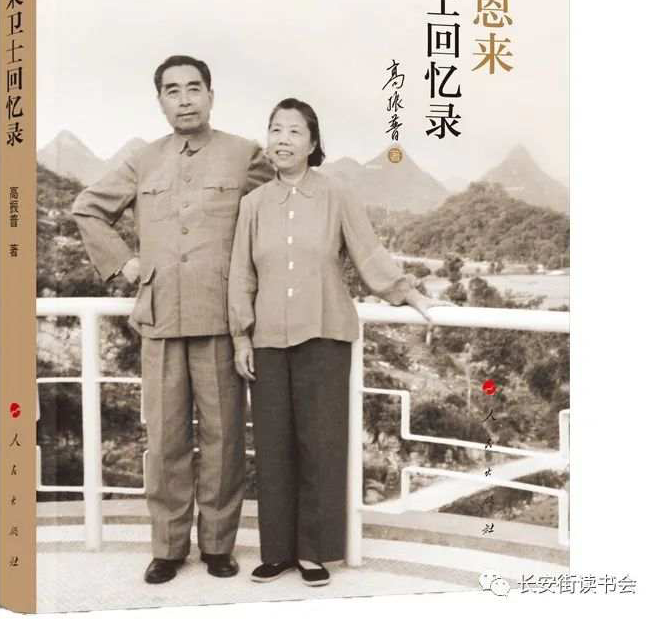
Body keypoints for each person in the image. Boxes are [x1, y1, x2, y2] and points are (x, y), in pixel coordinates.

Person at [72, 55, 275, 584]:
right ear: (160, 101)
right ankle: (167, 547)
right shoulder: (142, 160)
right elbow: (88, 208)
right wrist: (124, 263)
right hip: (160, 318)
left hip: (222, 318)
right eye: (172, 91)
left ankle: (218, 546)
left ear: (210, 95)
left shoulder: (244, 155)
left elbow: (277, 212)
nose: (184, 99)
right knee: (164, 442)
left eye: (193, 88)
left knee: (224, 440)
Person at [228, 98, 446, 586]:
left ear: (313, 143)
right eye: (275, 129)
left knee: (320, 444)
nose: (283, 139)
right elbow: (241, 274)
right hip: (266, 340)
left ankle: (313, 552)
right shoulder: (252, 205)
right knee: (273, 446)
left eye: (294, 131)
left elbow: (369, 254)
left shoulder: (337, 195)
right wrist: (240, 336)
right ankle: (277, 551)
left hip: (325, 335)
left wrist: (410, 294)